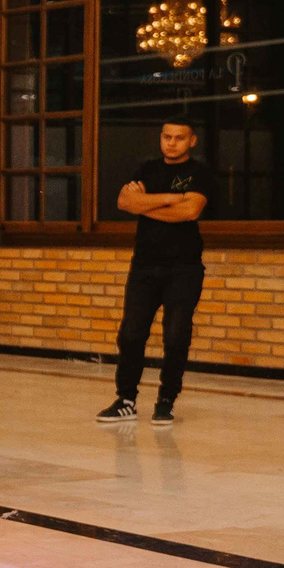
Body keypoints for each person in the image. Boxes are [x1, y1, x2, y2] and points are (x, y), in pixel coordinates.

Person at [97, 119, 222, 428]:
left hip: (185, 268)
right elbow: (124, 201)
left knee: (176, 335)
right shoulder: (146, 170)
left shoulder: (200, 172)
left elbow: (189, 212)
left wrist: (145, 204)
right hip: (143, 266)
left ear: (192, 141)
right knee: (131, 334)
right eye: (167, 136)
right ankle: (125, 400)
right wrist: (169, 198)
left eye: (179, 138)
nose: (171, 142)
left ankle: (166, 400)